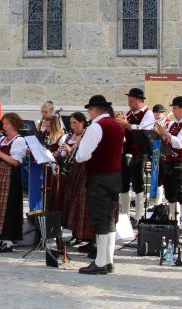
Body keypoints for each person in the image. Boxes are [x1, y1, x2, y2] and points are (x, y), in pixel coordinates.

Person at [74, 95, 125, 275]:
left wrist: (79, 145)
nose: (89, 114)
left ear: (95, 110)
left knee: (100, 219)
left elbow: (83, 156)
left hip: (100, 177)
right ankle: (108, 260)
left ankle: (101, 261)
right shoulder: (117, 126)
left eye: (89, 111)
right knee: (109, 218)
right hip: (115, 176)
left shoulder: (96, 126)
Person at [156, 96, 182, 237]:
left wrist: (164, 133)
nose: (172, 111)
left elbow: (179, 143)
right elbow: (167, 140)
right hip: (170, 160)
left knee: (181, 193)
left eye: (174, 108)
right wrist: (159, 134)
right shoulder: (174, 124)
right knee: (170, 194)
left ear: (181, 108)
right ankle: (173, 223)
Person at [0, 113, 27, 253]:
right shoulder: (3, 139)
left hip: (10, 177)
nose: (4, 125)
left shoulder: (19, 140)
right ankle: (2, 239)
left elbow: (15, 161)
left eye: (7, 123)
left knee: (9, 207)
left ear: (13, 125)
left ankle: (9, 241)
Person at [117, 87, 154, 224]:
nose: (129, 103)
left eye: (131, 101)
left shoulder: (147, 114)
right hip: (126, 151)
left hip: (140, 153)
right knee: (124, 183)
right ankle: (125, 215)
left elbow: (145, 129)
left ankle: (138, 216)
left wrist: (127, 125)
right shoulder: (129, 113)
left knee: (138, 183)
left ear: (139, 100)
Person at [59, 112, 94, 253]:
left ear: (83, 122)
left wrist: (70, 149)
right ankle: (74, 233)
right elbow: (64, 155)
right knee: (69, 201)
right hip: (70, 171)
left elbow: (83, 153)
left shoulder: (86, 134)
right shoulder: (69, 136)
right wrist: (62, 151)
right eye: (71, 123)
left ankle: (83, 235)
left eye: (75, 123)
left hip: (82, 170)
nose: (73, 126)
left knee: (79, 203)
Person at [38, 114, 65, 216]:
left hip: (55, 170)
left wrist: (53, 154)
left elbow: (61, 155)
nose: (46, 129)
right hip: (46, 169)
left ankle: (53, 218)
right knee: (46, 195)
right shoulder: (47, 136)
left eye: (48, 127)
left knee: (53, 196)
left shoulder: (62, 137)